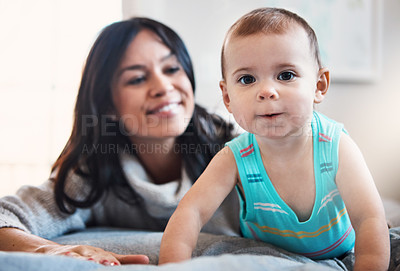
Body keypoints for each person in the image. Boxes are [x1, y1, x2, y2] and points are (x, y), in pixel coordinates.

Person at [158, 7, 390, 271]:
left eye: (285, 75)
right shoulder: (234, 157)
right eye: (247, 79)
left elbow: (369, 218)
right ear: (227, 98)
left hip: (339, 248)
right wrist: (172, 266)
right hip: (267, 252)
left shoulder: (336, 146)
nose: (267, 91)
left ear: (319, 85)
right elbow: (191, 213)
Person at [0, 17, 240, 266]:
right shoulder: (92, 174)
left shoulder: (243, 153)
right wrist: (49, 251)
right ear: (108, 106)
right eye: (136, 79)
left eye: (171, 69)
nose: (163, 86)